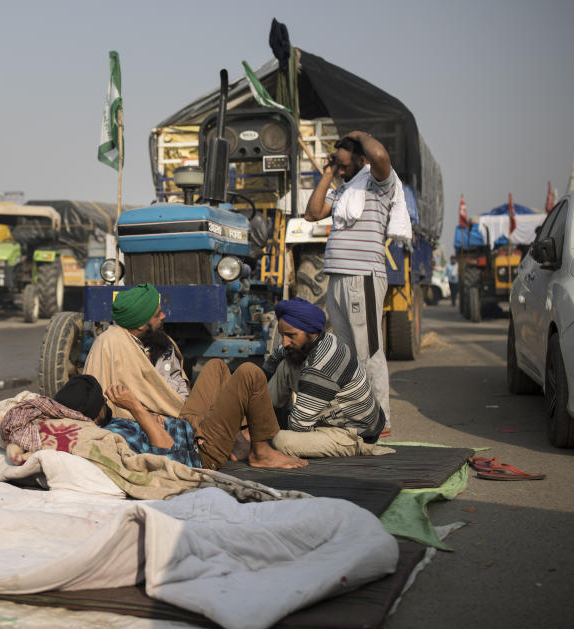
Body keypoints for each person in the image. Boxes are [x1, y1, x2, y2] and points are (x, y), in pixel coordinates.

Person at [83, 283, 306, 469]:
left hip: (184, 416)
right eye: (156, 313)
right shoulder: (114, 345)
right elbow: (127, 414)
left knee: (217, 366)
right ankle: (261, 452)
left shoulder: (152, 341)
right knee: (250, 373)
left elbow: (167, 394)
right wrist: (182, 422)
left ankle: (242, 438)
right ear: (141, 323)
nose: (163, 315)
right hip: (190, 439)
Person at [304, 131, 397, 438]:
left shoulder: (378, 184)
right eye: (337, 164)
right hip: (338, 277)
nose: (340, 169)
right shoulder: (344, 190)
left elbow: (381, 157)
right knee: (346, 352)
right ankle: (359, 413)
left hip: (363, 277)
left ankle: (379, 419)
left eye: (344, 163)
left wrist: (361, 135)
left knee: (368, 350)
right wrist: (329, 173)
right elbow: (313, 212)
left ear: (361, 160)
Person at [262, 298, 390, 457]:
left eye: (290, 335)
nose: (285, 342)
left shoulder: (322, 364)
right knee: (286, 364)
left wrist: (260, 436)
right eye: (282, 335)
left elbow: (298, 425)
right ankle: (262, 418)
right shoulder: (315, 340)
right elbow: (276, 355)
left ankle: (260, 431)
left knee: (281, 441)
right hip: (328, 419)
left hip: (353, 434)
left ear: (311, 332)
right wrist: (260, 384)